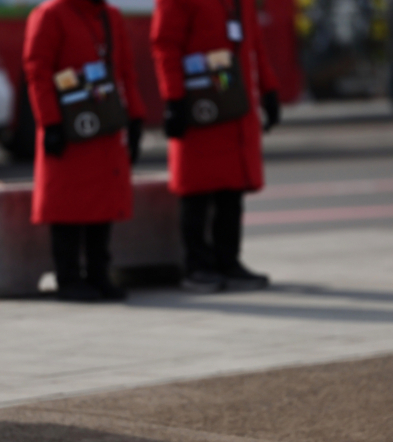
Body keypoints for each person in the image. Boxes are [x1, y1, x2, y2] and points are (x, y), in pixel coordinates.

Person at [150, 0, 280, 292]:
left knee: (231, 192)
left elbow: (254, 45)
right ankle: (197, 265)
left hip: (236, 107)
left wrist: (269, 90)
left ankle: (228, 261)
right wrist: (174, 100)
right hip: (201, 106)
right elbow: (165, 46)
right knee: (196, 191)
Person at [24, 0, 145, 301]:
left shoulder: (110, 16)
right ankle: (68, 278)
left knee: (103, 202)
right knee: (66, 205)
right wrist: (49, 123)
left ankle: (98, 274)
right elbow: (37, 71)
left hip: (105, 124)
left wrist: (136, 117)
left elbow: (125, 69)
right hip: (69, 126)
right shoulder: (50, 15)